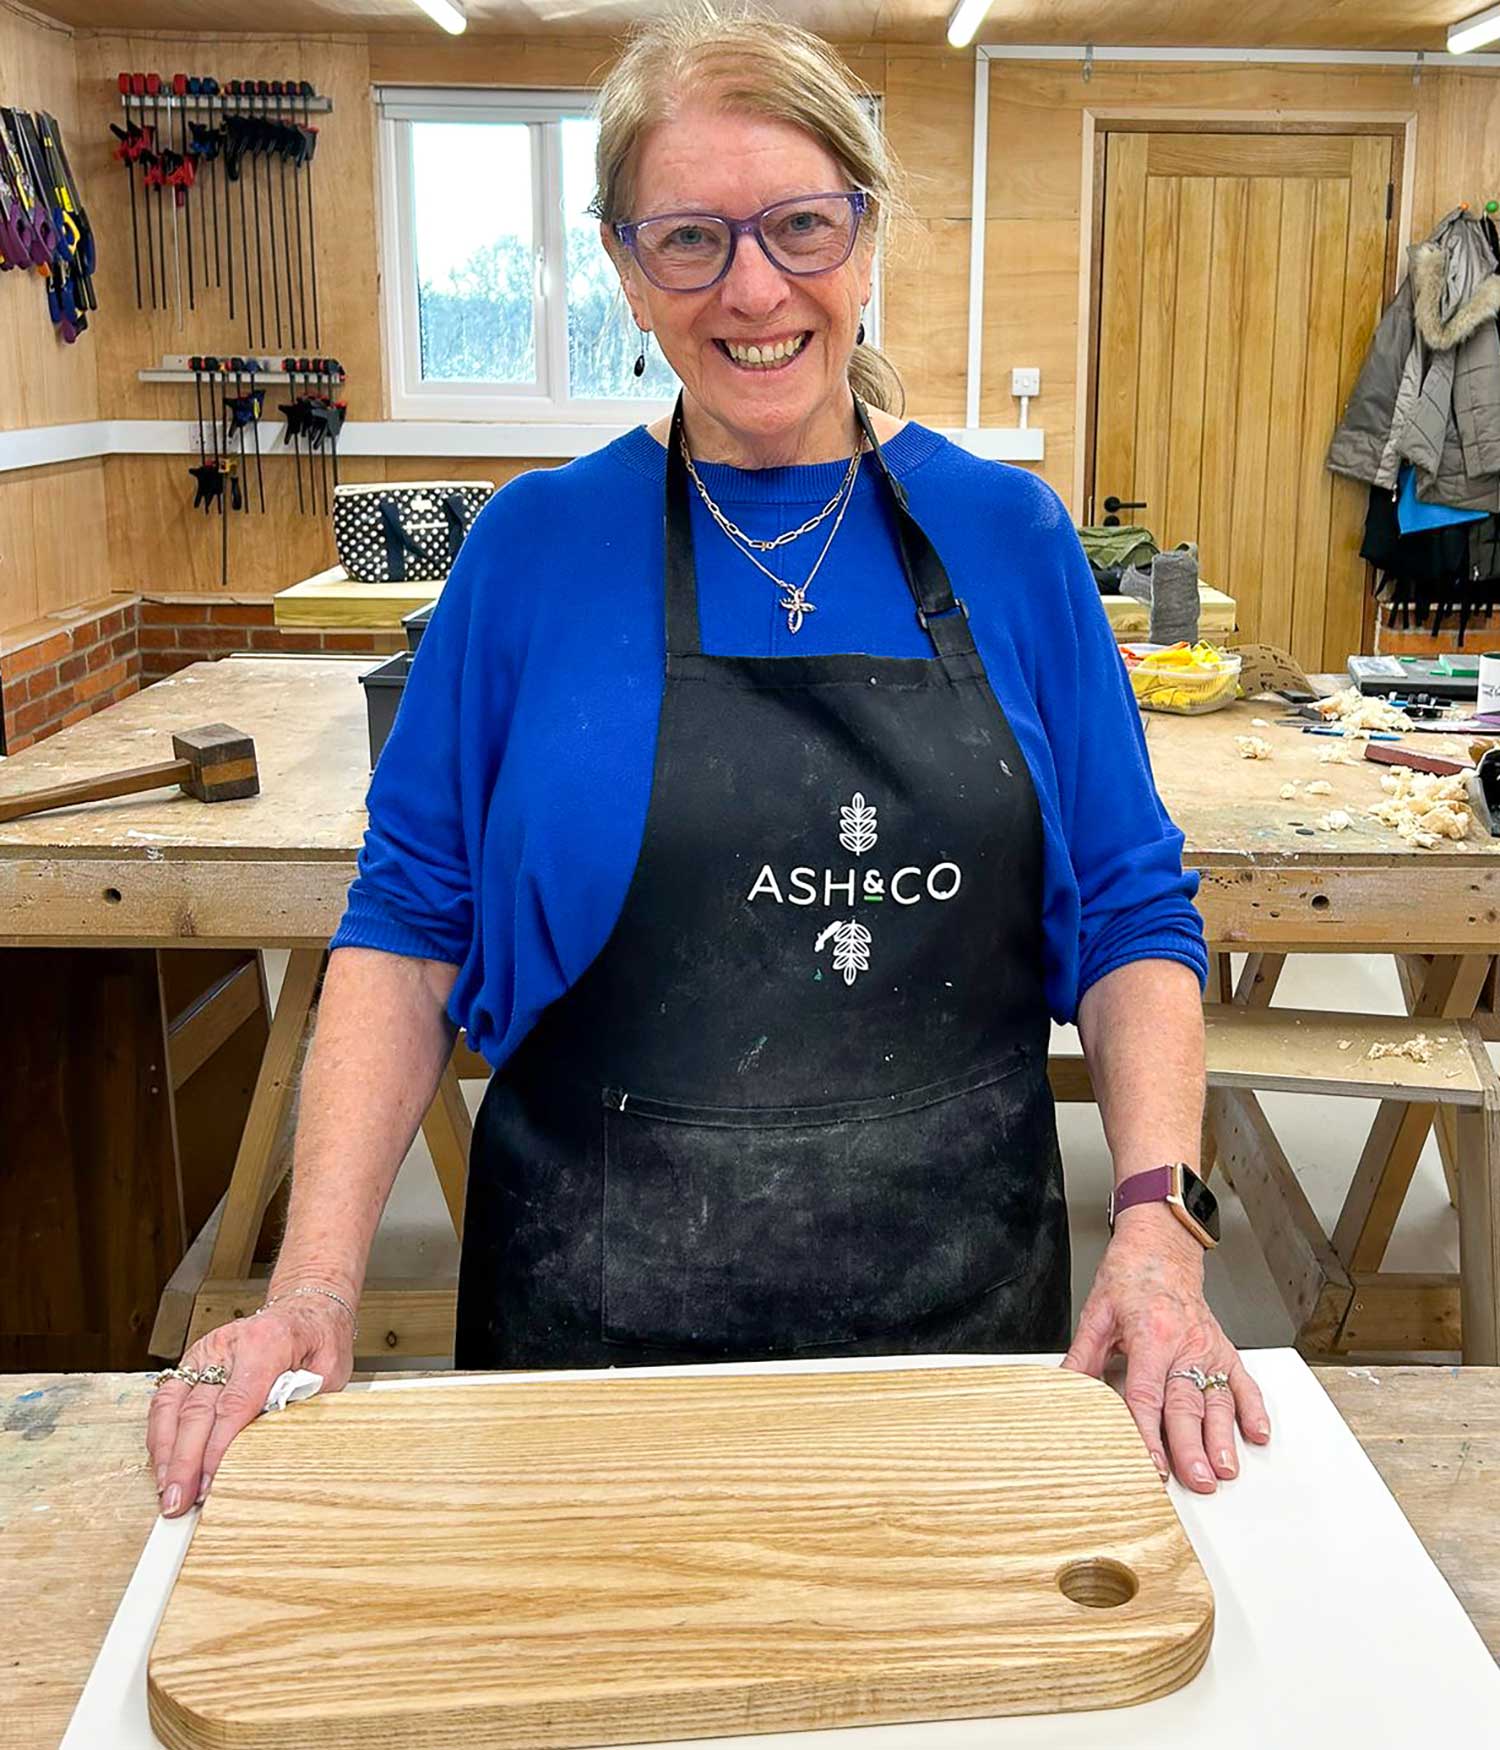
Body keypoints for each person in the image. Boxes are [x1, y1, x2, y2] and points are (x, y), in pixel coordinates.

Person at [148, 5, 1269, 1521]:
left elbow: (1136, 911)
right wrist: (314, 1286)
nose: (755, 288)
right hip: (594, 1354)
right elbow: (409, 933)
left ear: (868, 239)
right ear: (623, 265)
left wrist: (1159, 1226)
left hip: (964, 1345)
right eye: (689, 238)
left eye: (802, 225)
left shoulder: (1013, 541)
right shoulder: (532, 551)